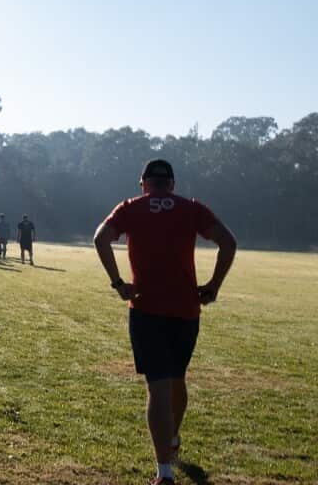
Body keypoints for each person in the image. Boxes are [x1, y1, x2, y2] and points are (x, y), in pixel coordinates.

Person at [92, 159, 238, 485]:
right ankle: (172, 439)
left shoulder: (130, 208)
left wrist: (118, 283)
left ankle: (165, 472)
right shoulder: (191, 208)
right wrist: (213, 286)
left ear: (142, 182)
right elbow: (228, 242)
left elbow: (101, 238)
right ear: (171, 184)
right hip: (186, 311)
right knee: (176, 380)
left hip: (146, 309)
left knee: (158, 388)